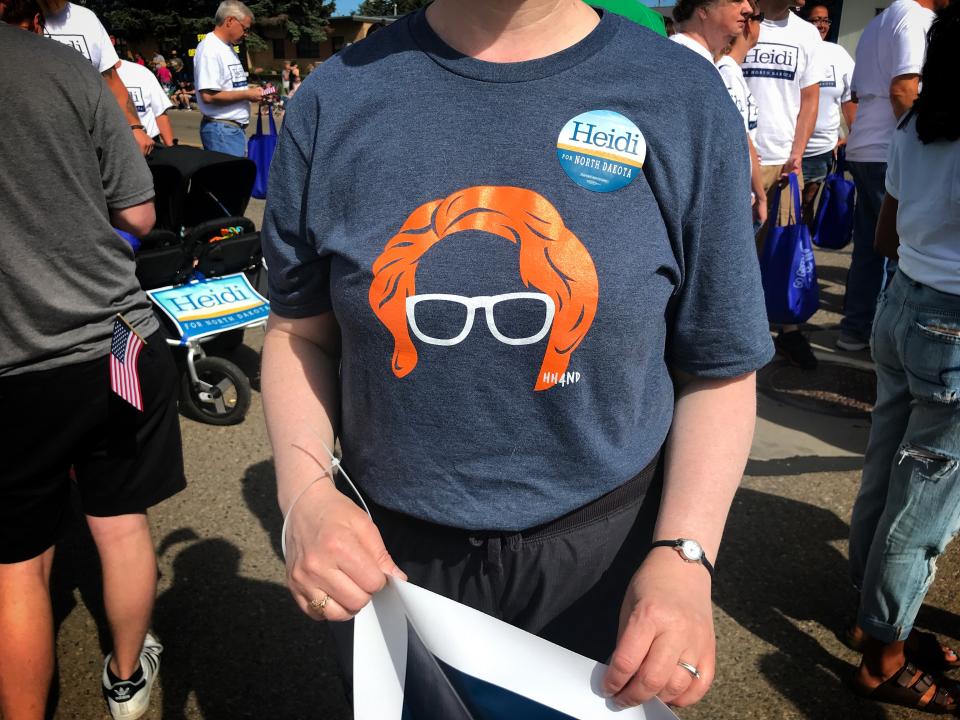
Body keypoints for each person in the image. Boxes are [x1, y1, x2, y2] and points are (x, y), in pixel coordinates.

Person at [262, 0, 774, 711]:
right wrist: (307, 497)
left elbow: (718, 366)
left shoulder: (680, 94)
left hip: (608, 562)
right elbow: (299, 334)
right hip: (391, 564)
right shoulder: (335, 98)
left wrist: (684, 558)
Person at [0, 18, 186, 720]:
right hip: (115, 340)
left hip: (14, 367)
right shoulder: (65, 68)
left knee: (18, 561)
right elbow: (137, 213)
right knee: (120, 516)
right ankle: (127, 677)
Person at [846, 4, 960, 712]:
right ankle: (884, 646)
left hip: (904, 305)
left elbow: (885, 236)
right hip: (950, 326)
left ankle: (871, 615)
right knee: (926, 501)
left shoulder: (919, 125)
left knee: (887, 471)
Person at [837, 0, 943, 352]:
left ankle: (855, 330)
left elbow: (856, 94)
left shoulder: (878, 22)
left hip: (866, 147)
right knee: (904, 252)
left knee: (870, 247)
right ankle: (893, 345)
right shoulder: (916, 18)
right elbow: (904, 89)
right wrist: (920, 152)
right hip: (889, 152)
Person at [742, 0, 823, 370]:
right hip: (741, 158)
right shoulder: (742, 22)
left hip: (785, 161)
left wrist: (798, 153)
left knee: (786, 248)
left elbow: (810, 100)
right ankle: (739, 332)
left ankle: (788, 331)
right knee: (739, 249)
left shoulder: (806, 34)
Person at [669, 0, 766, 228]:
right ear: (702, 9)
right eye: (735, 0)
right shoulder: (679, 61)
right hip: (702, 216)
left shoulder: (703, 64)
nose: (748, 9)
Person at [38, 0, 154, 156]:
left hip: (91, 145)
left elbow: (112, 80)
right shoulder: (13, 18)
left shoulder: (87, 18)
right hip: (40, 144)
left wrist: (135, 127)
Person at [799, 3, 855, 226]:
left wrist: (851, 135)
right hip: (786, 146)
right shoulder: (796, 47)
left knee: (806, 206)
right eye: (815, 20)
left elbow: (850, 98)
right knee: (780, 207)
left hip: (821, 149)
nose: (821, 25)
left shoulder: (838, 54)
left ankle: (801, 255)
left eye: (825, 20)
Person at [194, 0, 266, 157]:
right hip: (222, 132)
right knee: (230, 181)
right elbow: (208, 95)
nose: (246, 34)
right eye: (245, 29)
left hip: (229, 131)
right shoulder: (210, 48)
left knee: (235, 180)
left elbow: (230, 88)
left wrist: (252, 94)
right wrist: (247, 94)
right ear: (230, 21)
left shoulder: (226, 47)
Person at [718, 3, 766, 228]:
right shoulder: (728, 74)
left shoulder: (733, 71)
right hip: (738, 196)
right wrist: (761, 194)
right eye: (760, 18)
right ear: (749, 24)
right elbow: (742, 140)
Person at [118, 57, 175, 147]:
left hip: (150, 144)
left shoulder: (141, 72)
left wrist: (171, 148)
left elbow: (159, 112)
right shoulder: (90, 76)